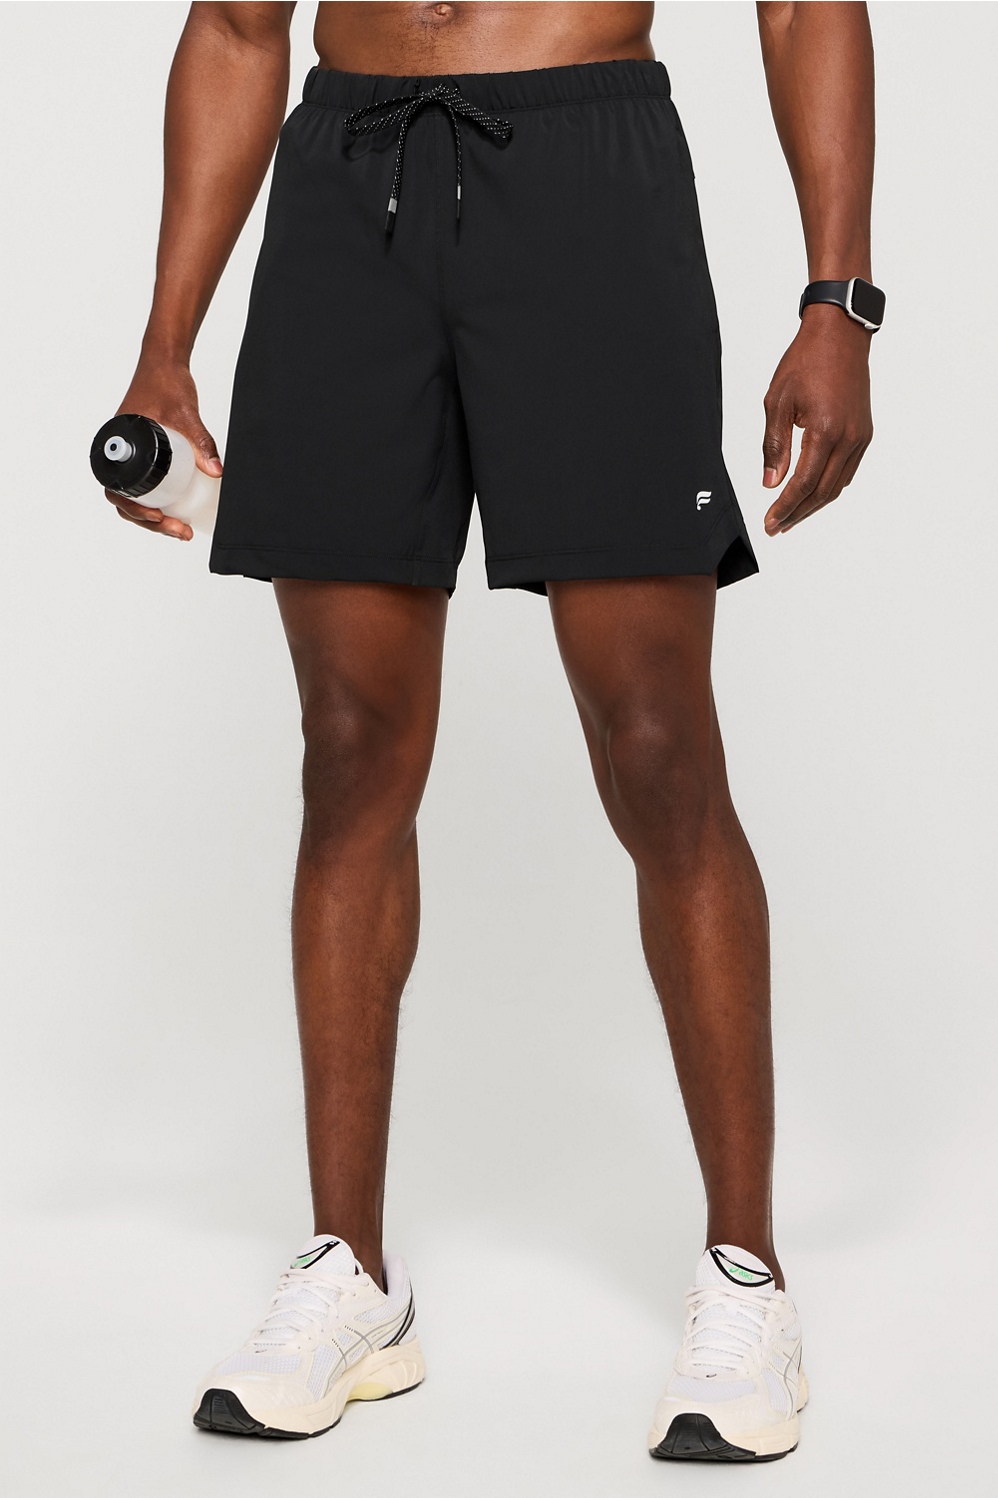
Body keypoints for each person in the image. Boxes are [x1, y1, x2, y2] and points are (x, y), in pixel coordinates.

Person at [106, 0, 880, 1463]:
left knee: (656, 743)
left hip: (587, 175)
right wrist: (165, 345)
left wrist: (836, 300)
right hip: (346, 191)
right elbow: (234, 27)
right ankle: (351, 1275)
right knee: (348, 745)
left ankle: (746, 1275)